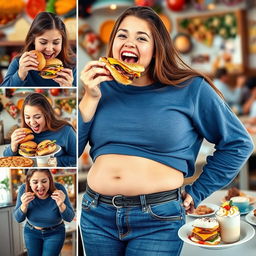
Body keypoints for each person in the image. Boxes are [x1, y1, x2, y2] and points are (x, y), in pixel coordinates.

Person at [78, 6, 254, 256]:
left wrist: (198, 190)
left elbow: (238, 143)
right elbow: (68, 152)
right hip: (96, 214)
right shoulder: (99, 88)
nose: (129, 42)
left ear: (157, 47)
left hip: (158, 219)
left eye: (141, 38)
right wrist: (90, 97)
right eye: (122, 35)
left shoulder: (190, 88)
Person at [0, 12, 76, 87]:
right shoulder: (19, 62)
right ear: (33, 41)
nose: (49, 49)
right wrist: (20, 74)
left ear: (62, 42)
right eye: (43, 42)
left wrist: (69, 87)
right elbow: (3, 90)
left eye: (56, 43)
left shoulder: (72, 63)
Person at [3, 92, 76, 167]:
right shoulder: (23, 134)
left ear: (47, 115)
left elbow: (75, 158)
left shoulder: (66, 131)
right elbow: (6, 159)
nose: (32, 122)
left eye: (37, 117)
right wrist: (12, 147)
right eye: (27, 117)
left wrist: (57, 161)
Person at [13, 169, 75, 256]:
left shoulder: (59, 189)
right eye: (35, 182)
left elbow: (69, 218)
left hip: (55, 233)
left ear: (50, 180)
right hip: (31, 233)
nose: (40, 186)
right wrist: (24, 205)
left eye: (44, 181)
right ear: (29, 182)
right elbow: (18, 218)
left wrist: (61, 204)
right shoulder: (23, 189)